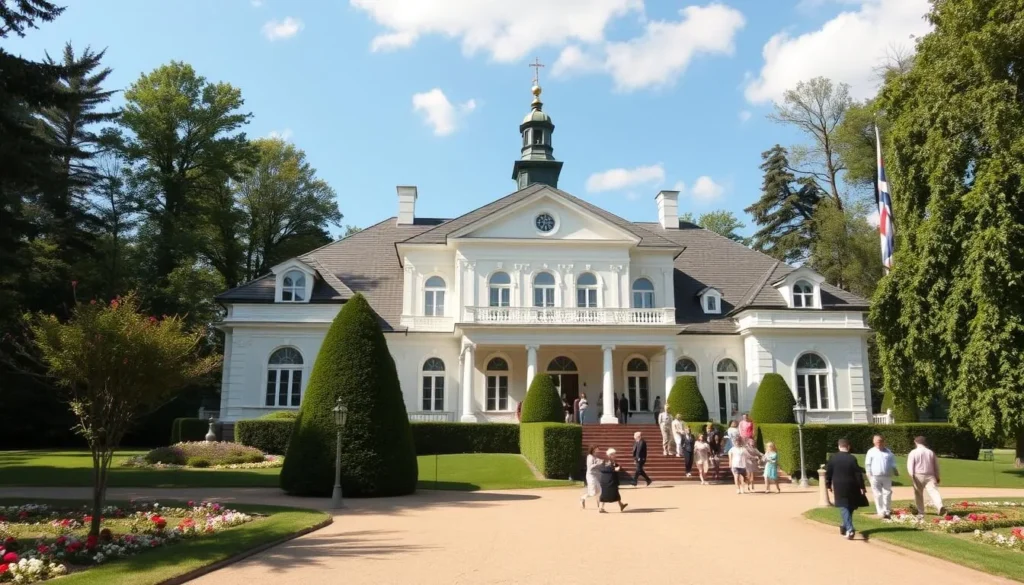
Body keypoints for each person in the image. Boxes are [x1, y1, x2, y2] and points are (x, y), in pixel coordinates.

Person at [826, 438, 868, 540]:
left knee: (844, 506)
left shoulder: (833, 458)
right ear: (848, 447)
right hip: (852, 485)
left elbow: (829, 472)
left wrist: (828, 484)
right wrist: (862, 486)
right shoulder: (852, 458)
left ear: (839, 446)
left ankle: (849, 529)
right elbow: (858, 474)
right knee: (849, 506)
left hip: (839, 485)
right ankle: (845, 525)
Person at [907, 436, 945, 516]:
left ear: (916, 442)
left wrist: (911, 475)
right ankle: (940, 506)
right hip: (930, 476)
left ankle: (921, 511)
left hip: (918, 475)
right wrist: (937, 476)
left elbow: (910, 466)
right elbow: (936, 466)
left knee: (918, 494)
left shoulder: (913, 452)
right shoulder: (930, 452)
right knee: (934, 492)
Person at [864, 434, 899, 518]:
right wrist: (868, 474)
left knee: (887, 493)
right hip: (875, 476)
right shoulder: (871, 451)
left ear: (884, 442)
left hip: (887, 476)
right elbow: (868, 464)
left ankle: (887, 510)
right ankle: (880, 511)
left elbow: (892, 463)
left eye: (880, 441)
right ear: (874, 442)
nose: (878, 443)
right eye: (877, 441)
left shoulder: (888, 452)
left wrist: (895, 471)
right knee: (877, 494)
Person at [597, 448, 628, 513]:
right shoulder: (607, 461)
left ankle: (621, 505)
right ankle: (600, 508)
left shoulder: (610, 461)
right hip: (608, 480)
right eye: (614, 454)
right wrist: (614, 469)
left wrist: (617, 467)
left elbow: (612, 467)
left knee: (615, 493)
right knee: (605, 494)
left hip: (609, 480)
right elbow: (604, 469)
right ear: (610, 455)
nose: (615, 455)